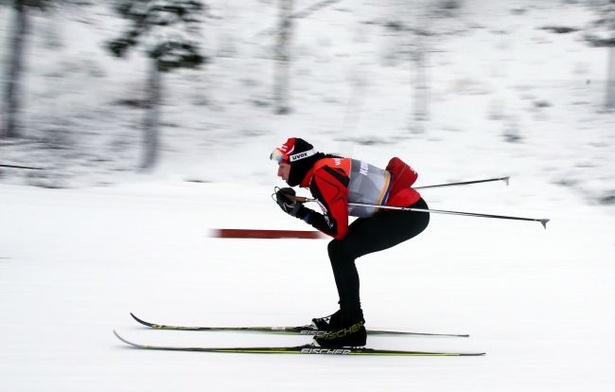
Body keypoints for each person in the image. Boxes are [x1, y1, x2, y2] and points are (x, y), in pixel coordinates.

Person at [270, 137, 430, 348]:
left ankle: (352, 325)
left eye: (282, 166)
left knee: (340, 251)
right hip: (400, 209)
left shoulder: (322, 176)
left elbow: (338, 230)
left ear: (298, 162)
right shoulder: (324, 165)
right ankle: (347, 315)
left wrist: (301, 213)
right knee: (339, 250)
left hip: (406, 214)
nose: (279, 173)